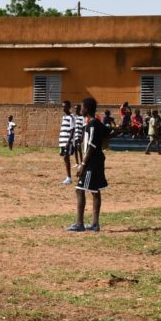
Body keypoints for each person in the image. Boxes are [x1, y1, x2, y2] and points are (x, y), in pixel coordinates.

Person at [69, 97, 109, 232]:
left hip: (91, 163)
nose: (80, 109)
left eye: (81, 106)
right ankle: (95, 224)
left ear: (86, 109)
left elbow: (91, 145)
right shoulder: (96, 123)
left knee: (79, 189)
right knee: (95, 190)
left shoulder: (92, 124)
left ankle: (79, 223)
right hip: (97, 160)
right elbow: (109, 132)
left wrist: (82, 164)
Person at [58, 100, 75, 184]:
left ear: (69, 107)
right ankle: (68, 177)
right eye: (62, 106)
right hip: (62, 141)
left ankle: (69, 178)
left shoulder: (71, 117)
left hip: (67, 142)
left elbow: (72, 130)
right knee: (65, 158)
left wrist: (68, 142)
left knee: (66, 157)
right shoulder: (64, 117)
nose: (63, 108)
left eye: (65, 106)